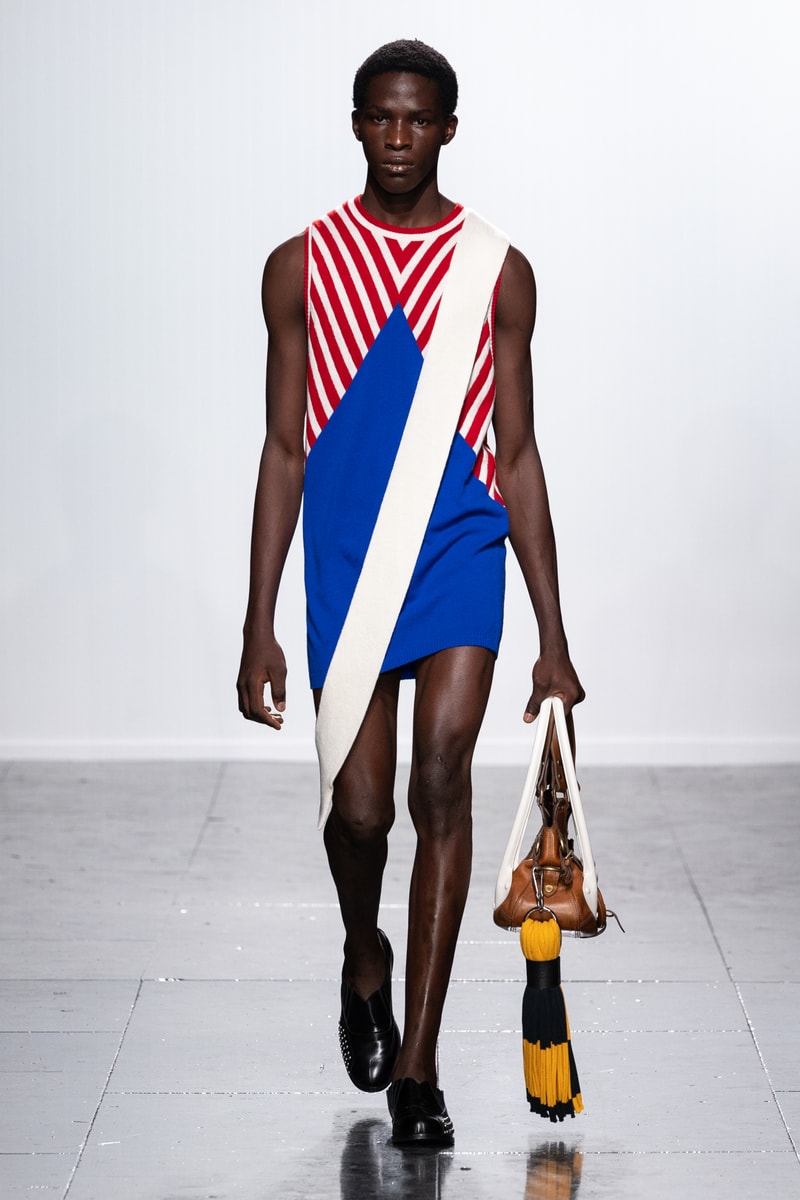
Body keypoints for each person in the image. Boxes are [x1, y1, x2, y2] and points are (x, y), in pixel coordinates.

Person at [237, 39, 584, 1147]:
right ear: (356, 124)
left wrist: (552, 635)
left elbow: (517, 453)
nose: (398, 137)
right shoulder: (300, 266)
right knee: (359, 814)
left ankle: (419, 1069)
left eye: (418, 119)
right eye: (381, 117)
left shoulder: (496, 269)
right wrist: (257, 623)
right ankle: (364, 952)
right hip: (346, 560)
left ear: (447, 128)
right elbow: (283, 449)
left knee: (441, 781)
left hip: (457, 547)